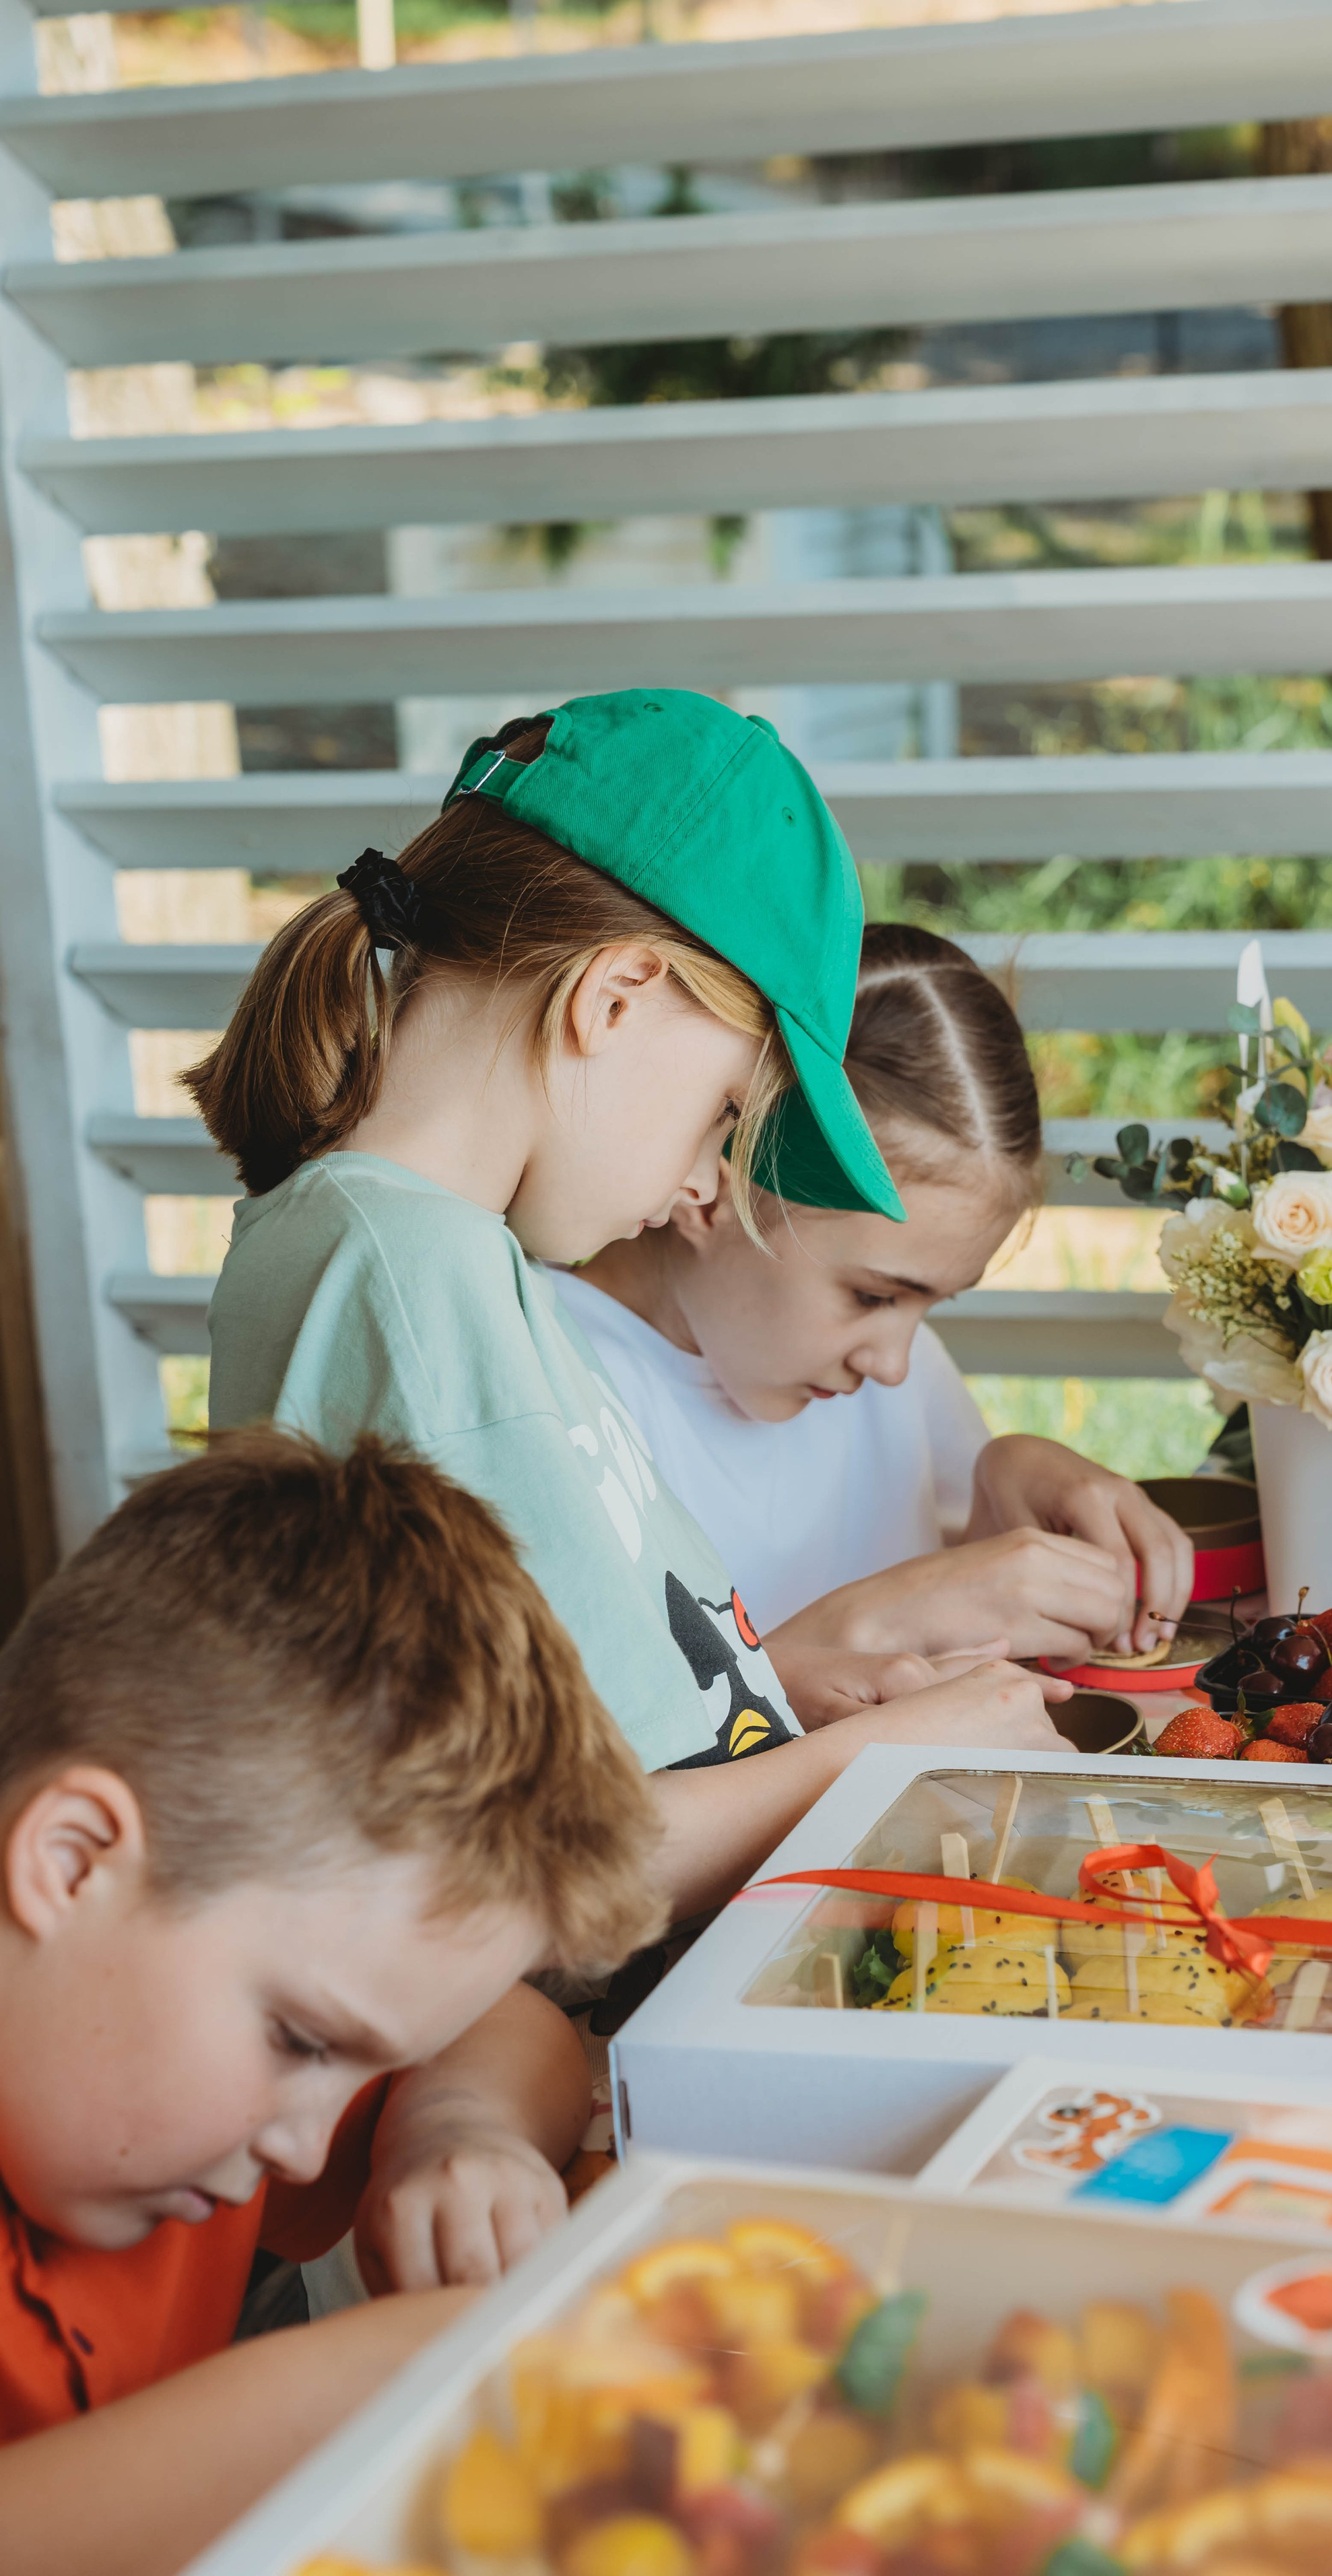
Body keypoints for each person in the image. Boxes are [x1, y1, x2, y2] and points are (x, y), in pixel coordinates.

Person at [193, 694, 1061, 1919]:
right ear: (614, 998)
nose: (711, 1180)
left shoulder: (451, 1269)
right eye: (722, 1113)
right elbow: (489, 1874)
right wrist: (865, 1760)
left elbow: (595, 1732)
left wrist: (784, 1697)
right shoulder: (394, 1278)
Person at [0, 1428, 663, 2576]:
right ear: (69, 1863)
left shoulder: (169, 2083)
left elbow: (514, 2030)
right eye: (303, 2040)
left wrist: (456, 2132)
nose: (307, 2155)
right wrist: (362, 2378)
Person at [567, 925, 1196, 1664]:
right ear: (708, 1193)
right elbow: (591, 1760)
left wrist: (999, 1491)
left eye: (932, 1305)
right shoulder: (548, 1389)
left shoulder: (887, 1368)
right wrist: (862, 1630)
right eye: (872, 1297)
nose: (894, 1366)